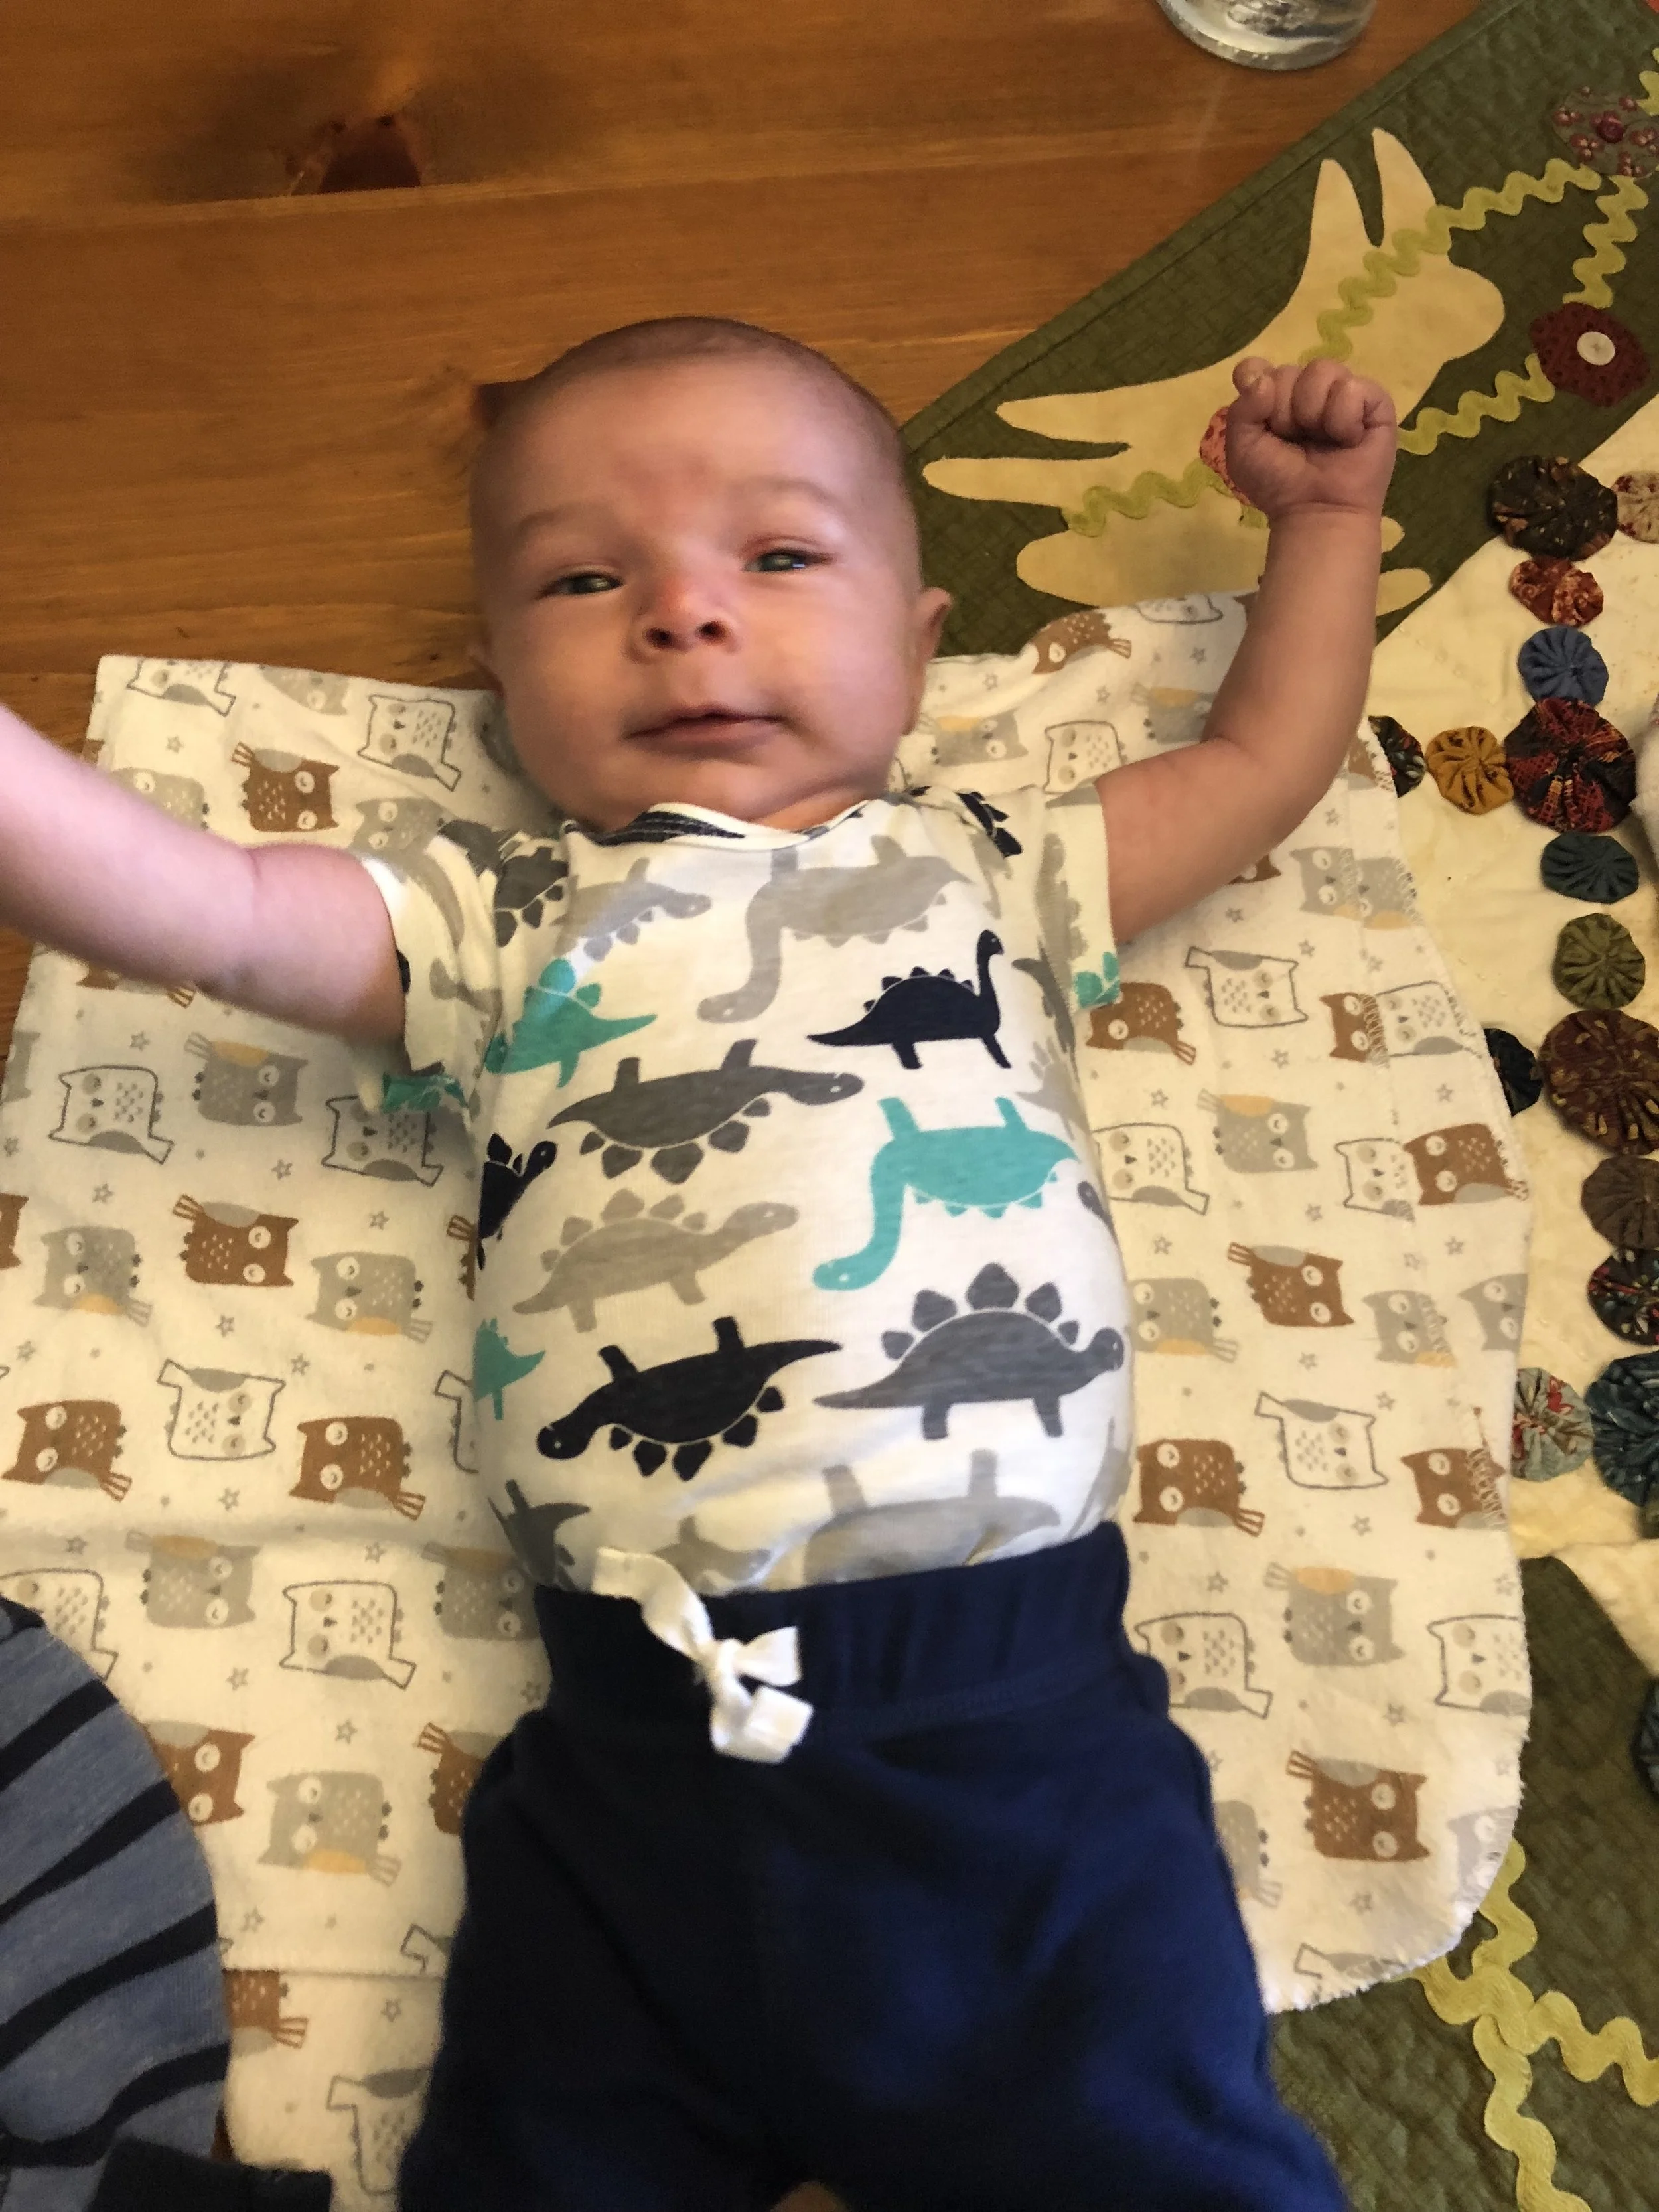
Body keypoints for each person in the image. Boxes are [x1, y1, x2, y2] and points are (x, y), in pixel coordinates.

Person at [0, 317, 1396, 2211]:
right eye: (585, 578)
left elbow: (1256, 762)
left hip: (1012, 1728)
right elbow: (209, 909)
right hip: (629, 1748)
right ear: (501, 687)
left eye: (780, 554)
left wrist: (1323, 528)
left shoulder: (986, 869)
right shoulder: (496, 915)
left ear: (915, 644)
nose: (682, 613)